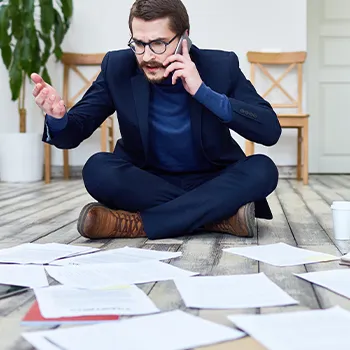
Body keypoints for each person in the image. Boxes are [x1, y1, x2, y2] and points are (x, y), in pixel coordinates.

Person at [31, 0, 281, 241]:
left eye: (159, 43)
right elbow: (75, 130)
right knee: (97, 169)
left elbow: (269, 130)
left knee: (263, 169)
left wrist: (203, 91)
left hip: (213, 178)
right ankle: (217, 216)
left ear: (185, 37)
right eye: (139, 43)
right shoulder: (117, 66)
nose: (147, 55)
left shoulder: (220, 65)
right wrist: (58, 118)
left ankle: (136, 224)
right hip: (148, 181)